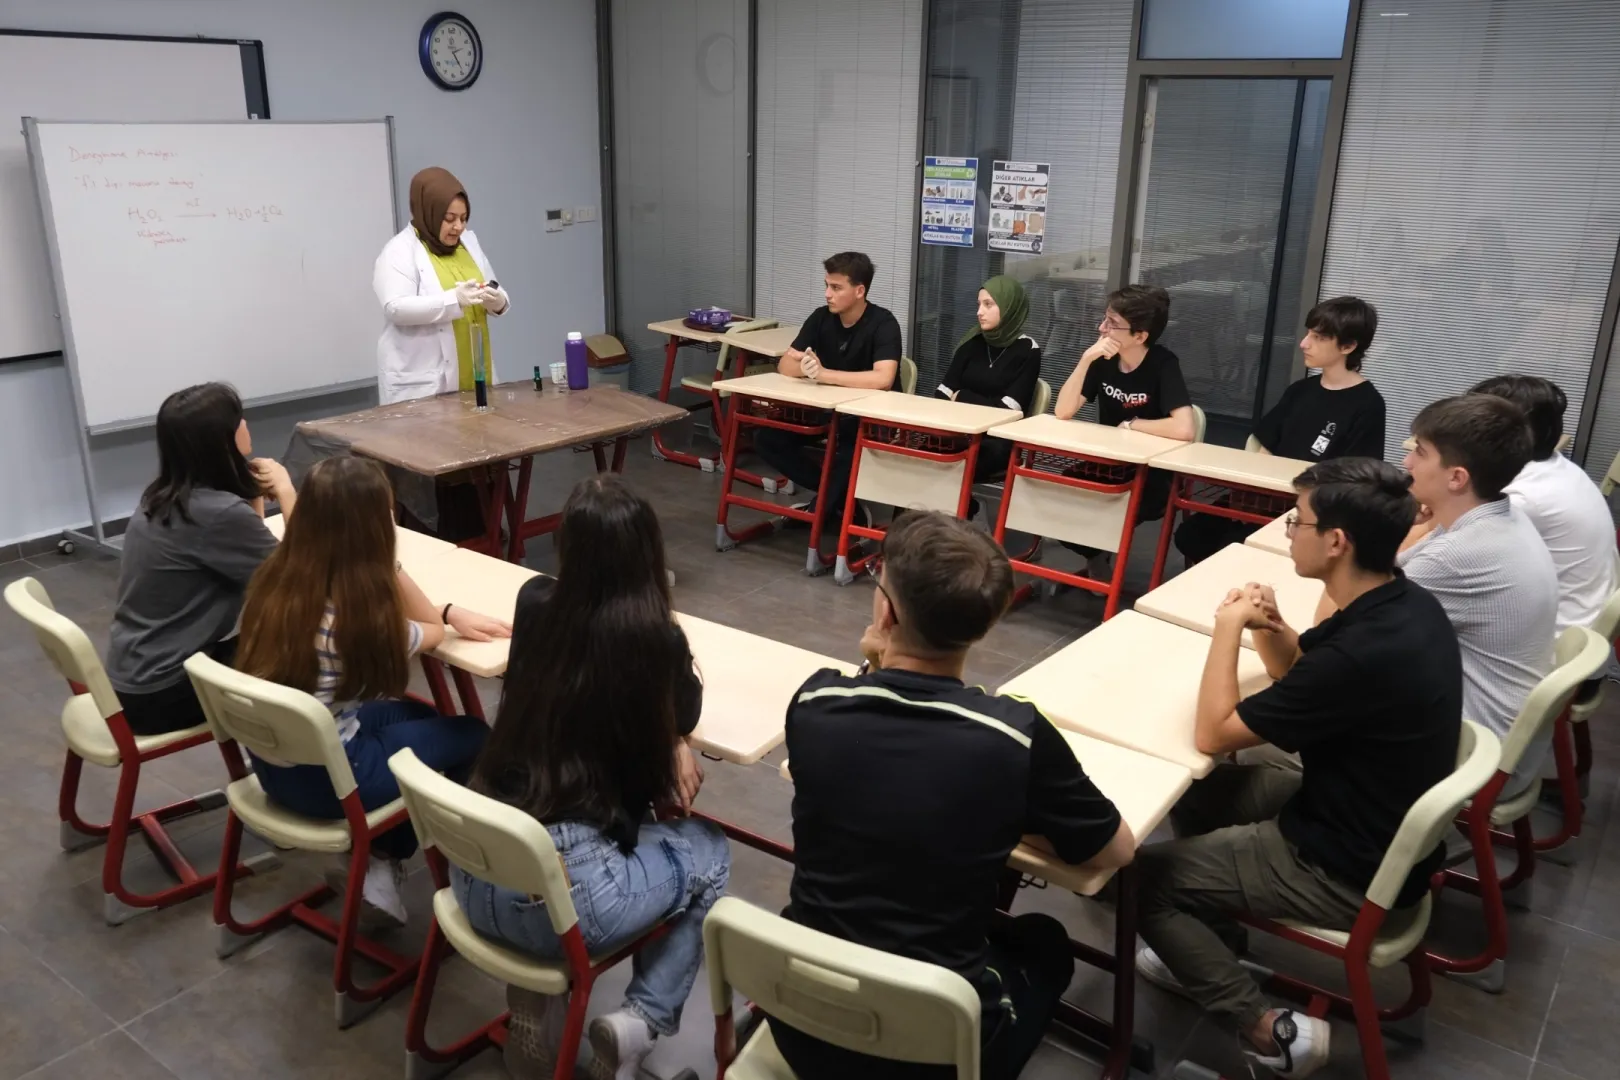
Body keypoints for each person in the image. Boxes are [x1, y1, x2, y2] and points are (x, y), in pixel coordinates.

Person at [773, 511, 1135, 1080]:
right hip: (934, 1057)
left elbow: (870, 757)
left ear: (886, 614)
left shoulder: (813, 703)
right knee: (1044, 941)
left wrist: (873, 661)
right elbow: (1115, 850)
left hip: (800, 1025)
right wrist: (1009, 814)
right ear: (986, 625)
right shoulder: (1015, 737)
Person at [1135, 457, 1461, 1079]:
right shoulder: (1402, 604)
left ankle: (1270, 1033)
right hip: (1370, 822)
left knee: (1143, 880)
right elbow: (1297, 671)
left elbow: (1213, 732)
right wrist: (1271, 624)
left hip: (1344, 866)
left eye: (1297, 521)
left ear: (1336, 542)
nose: (1289, 531)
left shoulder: (1359, 651)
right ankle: (1210, 938)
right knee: (1195, 792)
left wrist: (1228, 627)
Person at [455, 475, 728, 1080]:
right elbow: (685, 712)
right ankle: (639, 1023)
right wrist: (676, 738)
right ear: (648, 553)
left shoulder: (534, 603)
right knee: (708, 849)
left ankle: (537, 997)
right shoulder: (654, 639)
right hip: (563, 897)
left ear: (566, 546)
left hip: (476, 869)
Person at [235, 456, 509, 925]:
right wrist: (394, 566)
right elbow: (429, 629)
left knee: (417, 715)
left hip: (273, 764)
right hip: (331, 784)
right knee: (474, 735)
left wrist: (441, 607)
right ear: (375, 530)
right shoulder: (360, 624)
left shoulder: (274, 578)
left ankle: (381, 859)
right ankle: (444, 868)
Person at [107, 383, 295, 736]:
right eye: (239, 418)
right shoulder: (217, 514)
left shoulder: (162, 496)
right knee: (313, 640)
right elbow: (304, 576)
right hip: (165, 694)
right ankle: (305, 753)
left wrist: (250, 492)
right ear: (222, 439)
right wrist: (286, 491)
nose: (246, 424)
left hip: (134, 678)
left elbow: (250, 559)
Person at [1396, 394, 1557, 797]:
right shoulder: (1500, 515)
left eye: (1420, 452)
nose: (1407, 462)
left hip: (1472, 754)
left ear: (1456, 478)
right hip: (1497, 735)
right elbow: (1397, 567)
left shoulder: (1458, 555)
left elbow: (1345, 614)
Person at [1175, 296, 1387, 565]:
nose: (1304, 343)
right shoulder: (1300, 391)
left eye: (1319, 337)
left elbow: (1358, 481)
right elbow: (1265, 445)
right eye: (1308, 333)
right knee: (1191, 535)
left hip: (1312, 509)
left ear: (1348, 346)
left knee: (1233, 546)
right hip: (1267, 497)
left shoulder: (1368, 405)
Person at [1052, 284, 1195, 572]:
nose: (1102, 328)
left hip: (1151, 474)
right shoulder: (1103, 360)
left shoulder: (1163, 364)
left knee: (1109, 508)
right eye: (1104, 319)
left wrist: (1134, 424)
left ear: (1139, 336)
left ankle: (1099, 557)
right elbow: (1063, 411)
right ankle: (1096, 555)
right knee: (1057, 499)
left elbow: (1185, 428)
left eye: (1112, 323)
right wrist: (1086, 359)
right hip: (1110, 463)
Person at [754, 252, 901, 530]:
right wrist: (806, 367)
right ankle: (836, 501)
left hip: (869, 419)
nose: (827, 294)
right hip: (825, 411)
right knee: (767, 438)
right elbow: (785, 364)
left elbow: (884, 378)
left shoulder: (884, 323)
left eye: (836, 287)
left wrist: (823, 374)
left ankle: (821, 509)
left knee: (848, 447)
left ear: (859, 291)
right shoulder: (821, 317)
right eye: (826, 285)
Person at [1470, 374, 1617, 631]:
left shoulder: (1522, 497)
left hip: (1557, 635)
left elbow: (1442, 559)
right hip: (1582, 616)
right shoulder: (1555, 466)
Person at [373, 166, 511, 404]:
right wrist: (453, 300)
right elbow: (395, 308)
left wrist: (498, 301)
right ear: (429, 212)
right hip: (424, 383)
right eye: (449, 218)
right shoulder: (399, 251)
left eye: (463, 218)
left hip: (475, 371)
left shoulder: (468, 242)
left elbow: (493, 285)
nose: (459, 226)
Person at [935, 274, 1042, 491]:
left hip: (995, 440)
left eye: (988, 304)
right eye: (979, 304)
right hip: (957, 431)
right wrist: (978, 403)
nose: (979, 312)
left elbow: (1007, 412)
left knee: (957, 463)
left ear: (1009, 307)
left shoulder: (1028, 350)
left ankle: (963, 508)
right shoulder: (972, 342)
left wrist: (962, 396)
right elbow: (941, 395)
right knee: (917, 455)